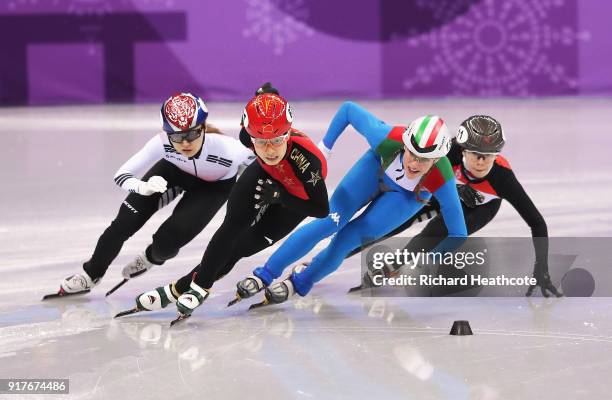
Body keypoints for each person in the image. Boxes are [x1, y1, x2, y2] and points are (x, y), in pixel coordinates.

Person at [233, 101, 467, 306]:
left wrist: (430, 260)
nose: (414, 164)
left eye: (424, 160)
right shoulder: (386, 137)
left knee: (347, 240)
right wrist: (325, 147)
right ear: (404, 144)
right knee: (328, 222)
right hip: (375, 168)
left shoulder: (442, 178)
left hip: (407, 197)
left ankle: (300, 282)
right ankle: (265, 274)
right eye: (411, 154)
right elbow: (348, 110)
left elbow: (458, 233)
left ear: (437, 159)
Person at [129, 88, 330, 319]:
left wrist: (279, 197)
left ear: (287, 134)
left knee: (240, 248)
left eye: (277, 140)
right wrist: (265, 94)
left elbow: (321, 209)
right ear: (250, 136)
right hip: (266, 176)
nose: (270, 149)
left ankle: (179, 287)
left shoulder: (308, 163)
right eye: (261, 142)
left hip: (296, 199)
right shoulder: (247, 136)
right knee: (230, 228)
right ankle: (199, 288)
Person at [52, 92, 255, 297]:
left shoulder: (231, 150)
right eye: (176, 136)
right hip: (171, 172)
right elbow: (121, 175)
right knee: (122, 224)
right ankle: (90, 274)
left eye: (192, 134)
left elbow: (265, 163)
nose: (185, 143)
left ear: (203, 127)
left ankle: (151, 257)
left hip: (213, 188)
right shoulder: (161, 143)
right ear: (166, 133)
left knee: (167, 244)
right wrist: (143, 188)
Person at [346, 115, 561, 297]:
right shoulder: (447, 153)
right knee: (396, 221)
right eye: (476, 154)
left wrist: (541, 268)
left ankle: (388, 269)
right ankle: (339, 253)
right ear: (462, 150)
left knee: (434, 233)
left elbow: (537, 223)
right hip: (443, 194)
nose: (481, 162)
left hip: (479, 207)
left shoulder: (503, 179)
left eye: (489, 157)